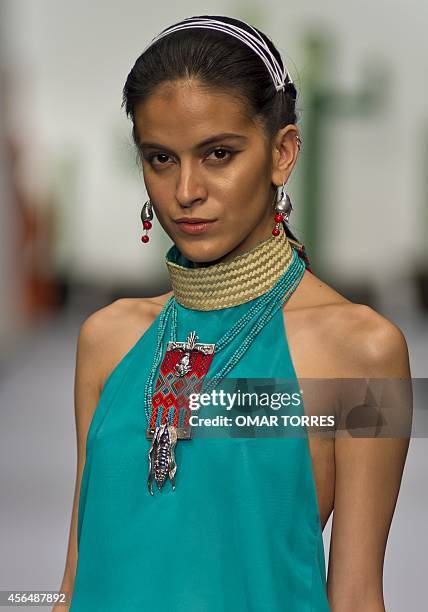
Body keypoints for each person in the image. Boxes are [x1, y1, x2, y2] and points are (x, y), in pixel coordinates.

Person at [55, 14, 411, 612]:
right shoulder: (107, 341)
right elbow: (75, 582)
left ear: (282, 152)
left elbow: (355, 595)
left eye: (218, 153)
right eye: (161, 158)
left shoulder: (364, 352)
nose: (186, 190)